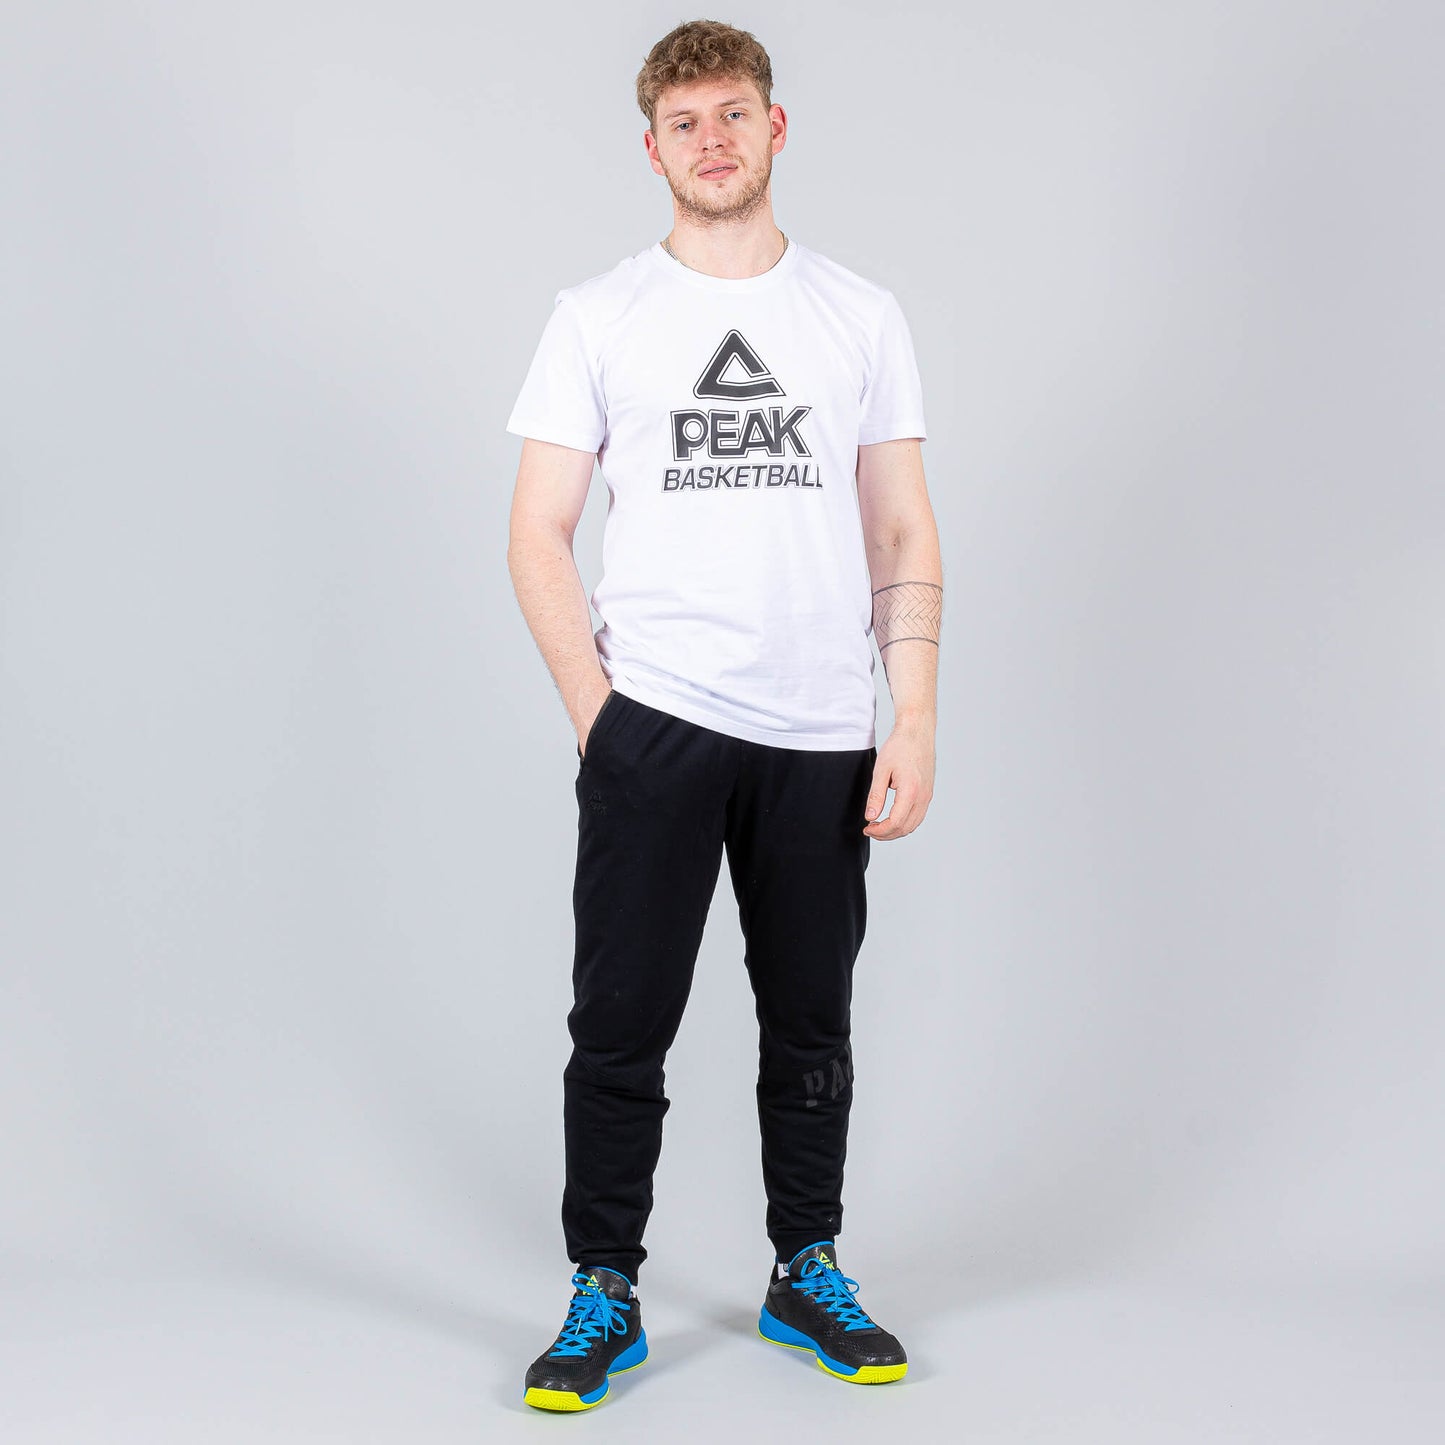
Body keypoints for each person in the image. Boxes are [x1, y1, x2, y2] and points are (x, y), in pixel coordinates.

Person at [504, 18, 942, 1413]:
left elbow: (901, 527)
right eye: (684, 121)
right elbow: (535, 530)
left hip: (822, 730)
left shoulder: (858, 315)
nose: (711, 140)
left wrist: (912, 714)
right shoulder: (599, 315)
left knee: (811, 1022)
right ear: (652, 148)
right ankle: (604, 1288)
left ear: (774, 127)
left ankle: (805, 1267)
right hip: (659, 722)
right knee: (618, 1022)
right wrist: (600, 716)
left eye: (732, 113)